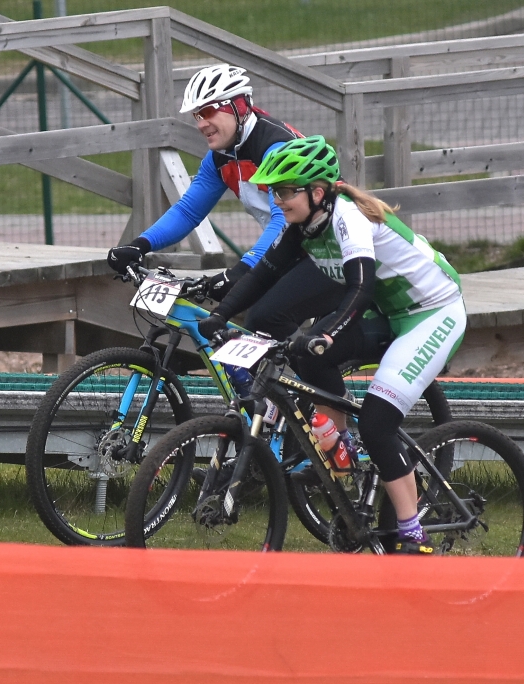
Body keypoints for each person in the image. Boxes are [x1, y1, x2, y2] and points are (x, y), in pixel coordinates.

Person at [198, 135, 465, 554]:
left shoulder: (348, 218)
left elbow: (359, 288)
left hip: (432, 314)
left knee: (376, 423)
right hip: (389, 311)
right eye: (274, 192)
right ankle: (342, 447)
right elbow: (262, 275)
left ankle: (414, 532)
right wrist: (219, 315)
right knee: (306, 357)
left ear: (317, 192)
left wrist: (328, 334)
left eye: (286, 191)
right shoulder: (303, 225)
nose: (277, 200)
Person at [106, 64, 344, 336]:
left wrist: (243, 269)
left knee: (262, 321)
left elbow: (282, 221)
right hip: (294, 246)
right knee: (252, 326)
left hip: (331, 247)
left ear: (239, 107)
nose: (201, 124)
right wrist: (139, 245)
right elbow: (188, 211)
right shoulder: (221, 156)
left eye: (208, 112)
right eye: (197, 115)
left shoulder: (274, 148)